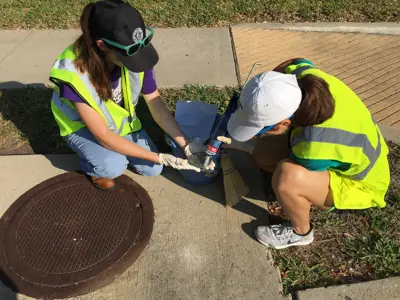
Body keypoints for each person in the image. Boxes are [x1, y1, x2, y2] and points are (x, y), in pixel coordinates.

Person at [218, 58, 390, 249]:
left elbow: (292, 165)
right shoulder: (298, 75)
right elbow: (294, 62)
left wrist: (247, 146)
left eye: (263, 128)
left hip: (361, 187)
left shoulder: (314, 147)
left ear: (284, 123)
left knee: (286, 177)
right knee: (260, 155)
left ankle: (301, 232)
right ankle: (291, 193)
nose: (262, 132)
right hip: (358, 153)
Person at [49, 0, 209, 190]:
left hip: (118, 123)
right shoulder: (73, 75)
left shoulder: (136, 49)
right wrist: (160, 157)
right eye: (130, 56)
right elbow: (103, 135)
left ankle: (116, 153)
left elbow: (155, 105)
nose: (138, 60)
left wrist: (186, 145)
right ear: (103, 45)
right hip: (81, 127)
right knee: (113, 166)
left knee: (153, 169)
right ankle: (92, 167)